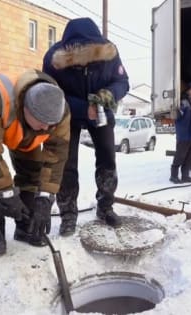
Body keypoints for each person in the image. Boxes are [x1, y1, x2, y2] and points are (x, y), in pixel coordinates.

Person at [0, 69, 70, 256]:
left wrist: (46, 197)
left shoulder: (58, 110)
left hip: (18, 123)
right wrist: (5, 193)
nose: (47, 128)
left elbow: (56, 155)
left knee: (32, 170)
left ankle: (25, 225)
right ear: (25, 108)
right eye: (42, 122)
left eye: (51, 125)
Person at [42, 17, 130, 236]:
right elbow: (50, 93)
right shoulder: (54, 60)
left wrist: (107, 95)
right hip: (65, 114)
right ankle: (68, 215)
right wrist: (83, 107)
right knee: (66, 164)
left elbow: (122, 82)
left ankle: (105, 206)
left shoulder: (109, 53)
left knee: (108, 158)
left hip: (101, 110)